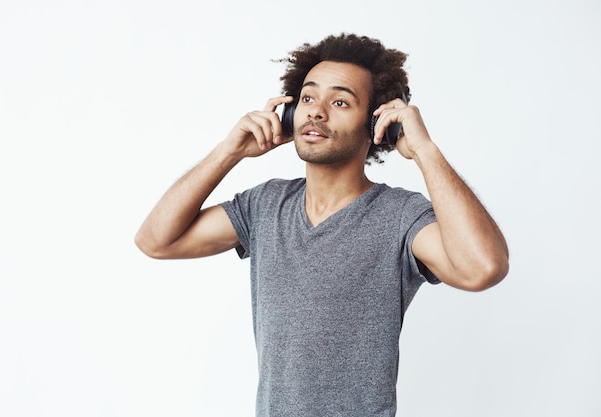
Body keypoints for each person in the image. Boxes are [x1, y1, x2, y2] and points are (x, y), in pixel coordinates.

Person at [135, 33, 509, 417]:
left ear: (378, 124)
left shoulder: (399, 215)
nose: (316, 112)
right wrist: (230, 151)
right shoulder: (266, 205)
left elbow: (483, 267)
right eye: (308, 98)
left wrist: (426, 152)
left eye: (341, 102)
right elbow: (156, 241)